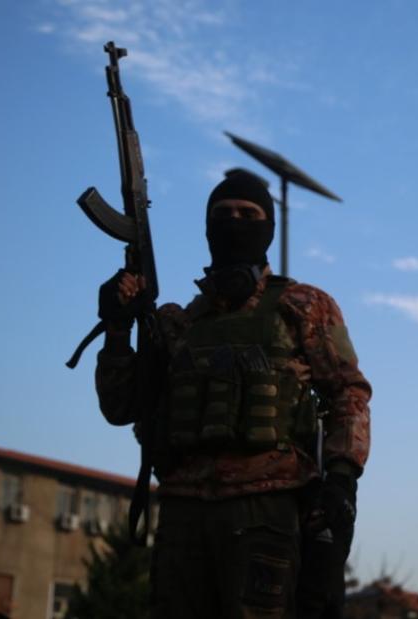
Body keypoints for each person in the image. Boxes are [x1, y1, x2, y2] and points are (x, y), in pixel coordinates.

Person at [94, 169, 371, 618]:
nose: (234, 222)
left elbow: (348, 393)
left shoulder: (303, 306)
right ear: (207, 228)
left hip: (266, 506)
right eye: (223, 214)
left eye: (248, 214)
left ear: (269, 228)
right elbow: (120, 406)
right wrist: (118, 328)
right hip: (183, 510)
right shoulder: (178, 323)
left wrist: (342, 478)